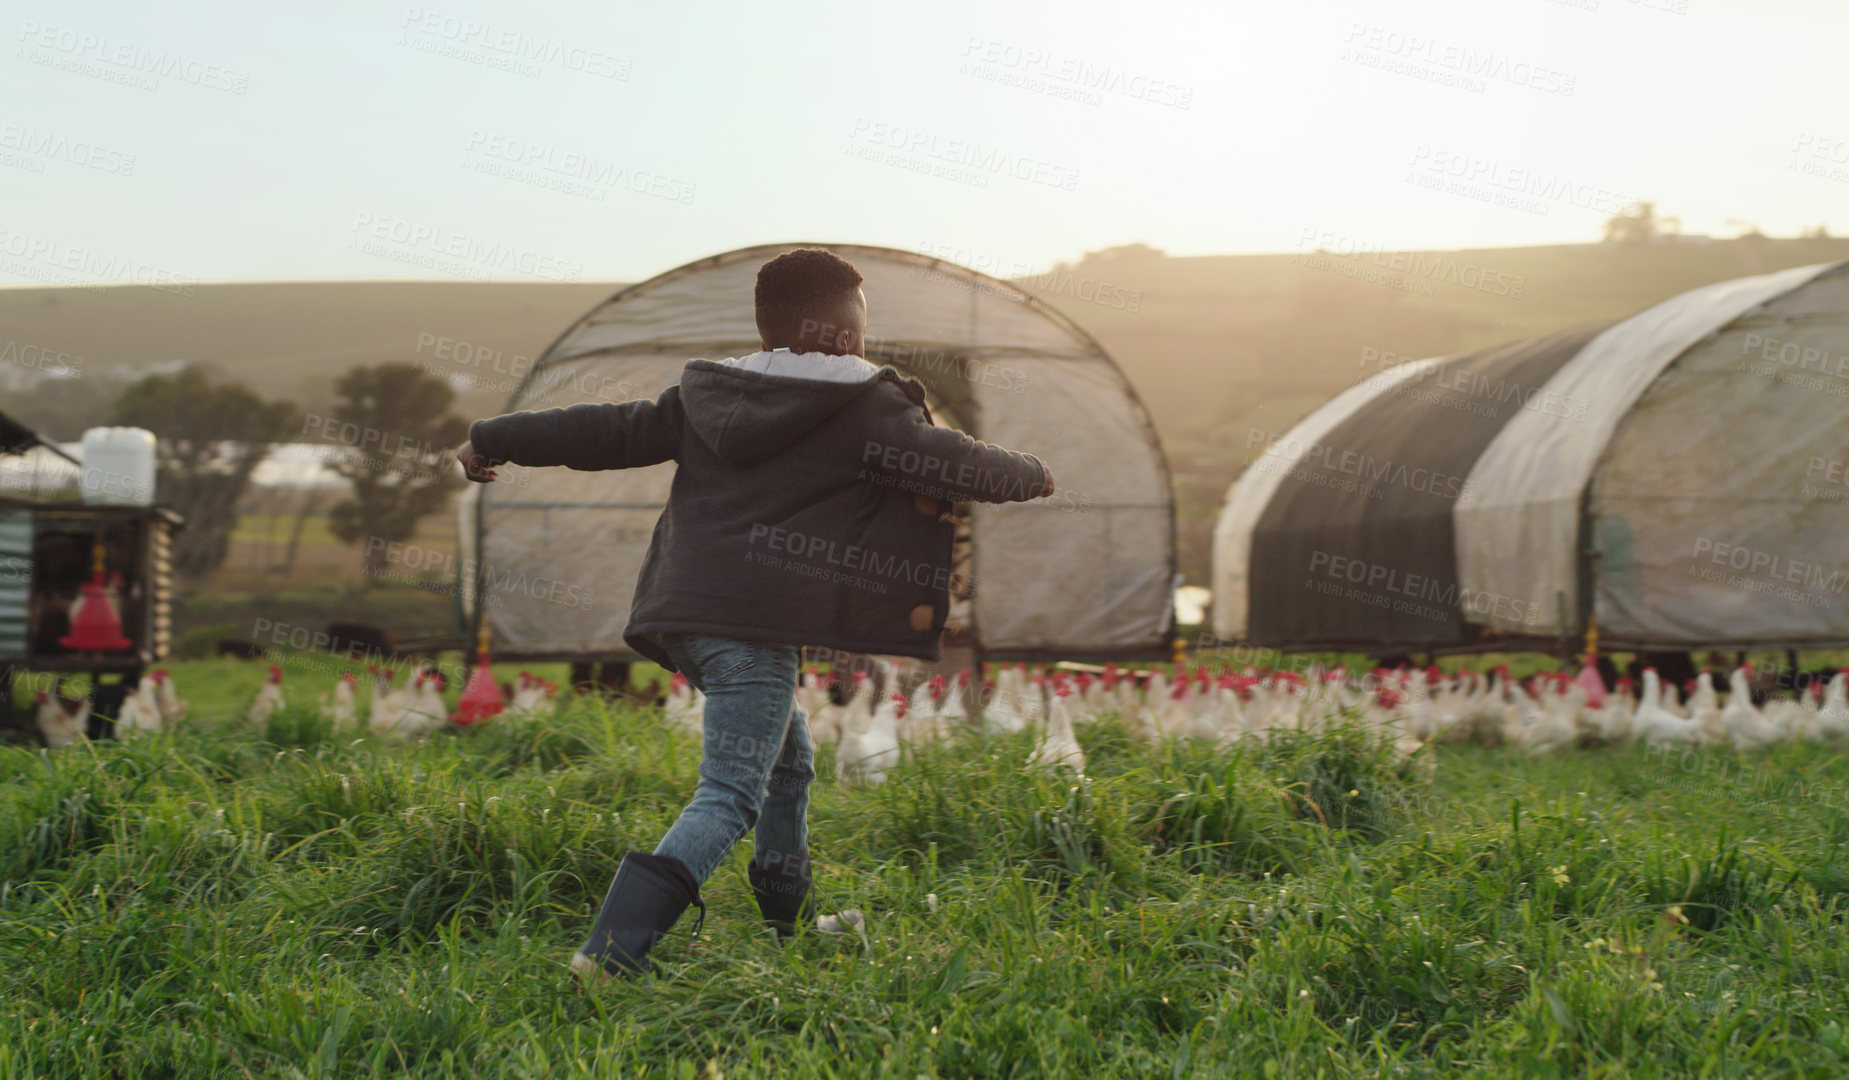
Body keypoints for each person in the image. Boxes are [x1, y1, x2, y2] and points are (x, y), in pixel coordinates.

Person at [457, 248, 1053, 978]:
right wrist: (1032, 473)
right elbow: (951, 460)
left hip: (687, 616)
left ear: (766, 327)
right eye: (858, 323)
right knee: (729, 794)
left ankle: (793, 927)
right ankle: (607, 958)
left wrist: (493, 437)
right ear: (844, 328)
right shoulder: (863, 406)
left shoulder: (706, 396)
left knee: (788, 762)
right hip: (751, 629)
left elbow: (605, 430)